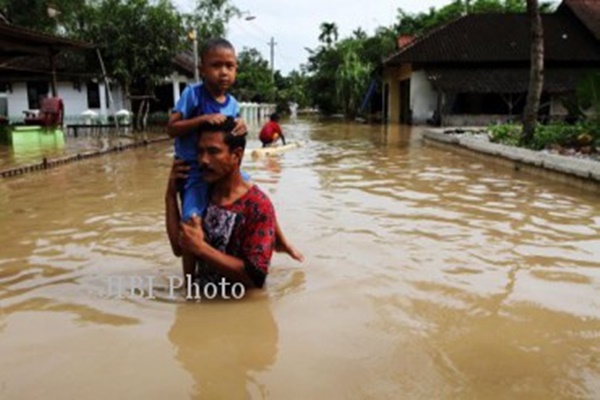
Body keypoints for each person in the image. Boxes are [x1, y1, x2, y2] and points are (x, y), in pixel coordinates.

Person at [167, 38, 303, 281]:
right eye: (216, 66)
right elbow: (172, 127)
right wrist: (203, 119)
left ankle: (279, 240)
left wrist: (241, 124)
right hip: (193, 171)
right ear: (202, 69)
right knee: (190, 222)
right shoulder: (193, 94)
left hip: (223, 170)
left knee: (258, 195)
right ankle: (189, 283)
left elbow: (235, 135)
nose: (223, 72)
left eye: (230, 66)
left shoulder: (232, 104)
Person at [165, 118, 276, 288]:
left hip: (238, 308)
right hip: (203, 302)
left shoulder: (257, 205)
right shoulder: (201, 196)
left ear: (236, 155)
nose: (203, 160)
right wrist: (170, 195)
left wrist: (202, 249)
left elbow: (256, 277)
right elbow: (179, 248)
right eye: (200, 151)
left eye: (213, 152)